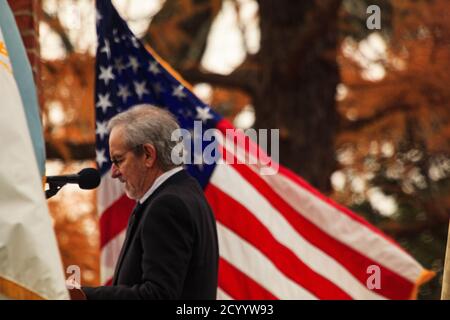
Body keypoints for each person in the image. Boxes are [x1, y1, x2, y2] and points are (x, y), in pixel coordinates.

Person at [80, 104, 219, 299]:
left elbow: (157, 296)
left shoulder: (168, 206)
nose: (113, 172)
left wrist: (82, 296)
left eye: (118, 160)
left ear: (148, 155)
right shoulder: (187, 192)